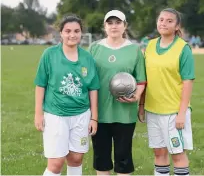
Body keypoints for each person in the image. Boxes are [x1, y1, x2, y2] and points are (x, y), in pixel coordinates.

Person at [34, 14, 100, 176]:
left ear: (81, 33)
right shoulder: (49, 55)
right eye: (68, 31)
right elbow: (40, 85)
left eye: (76, 31)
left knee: (76, 158)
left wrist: (94, 117)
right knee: (56, 163)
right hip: (56, 114)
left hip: (81, 115)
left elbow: (93, 88)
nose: (72, 35)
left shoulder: (87, 58)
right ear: (61, 33)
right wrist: (38, 113)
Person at [89, 10, 146, 175]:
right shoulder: (94, 48)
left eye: (118, 22)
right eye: (110, 23)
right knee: (101, 160)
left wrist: (136, 96)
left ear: (124, 26)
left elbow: (141, 80)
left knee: (123, 158)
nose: (114, 26)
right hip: (99, 113)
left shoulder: (134, 50)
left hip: (124, 113)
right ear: (105, 26)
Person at [139, 8, 195, 176]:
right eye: (161, 19)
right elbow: (145, 78)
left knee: (178, 155)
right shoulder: (149, 46)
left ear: (177, 26)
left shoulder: (183, 48)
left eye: (169, 21)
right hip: (153, 110)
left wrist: (181, 113)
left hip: (173, 111)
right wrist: (141, 105)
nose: (164, 23)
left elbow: (188, 83)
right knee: (159, 153)